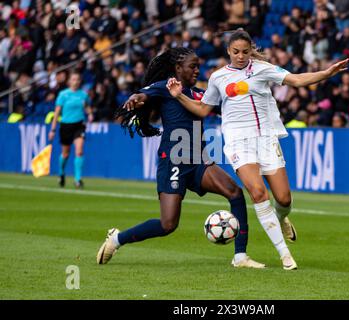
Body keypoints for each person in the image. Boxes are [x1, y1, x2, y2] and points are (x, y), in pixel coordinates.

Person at [166, 30, 348, 270]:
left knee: (283, 198)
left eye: (245, 51)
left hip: (265, 138)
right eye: (235, 52)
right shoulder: (218, 77)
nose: (240, 56)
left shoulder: (263, 69)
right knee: (259, 193)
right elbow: (202, 110)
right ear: (228, 51)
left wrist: (325, 73)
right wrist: (179, 97)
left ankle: (282, 217)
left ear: (251, 50)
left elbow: (296, 79)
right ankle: (285, 255)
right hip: (237, 141)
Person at [96, 47, 265, 269]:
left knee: (234, 192)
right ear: (178, 68)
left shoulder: (198, 94)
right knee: (168, 225)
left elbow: (222, 108)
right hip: (173, 161)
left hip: (199, 161)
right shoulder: (165, 88)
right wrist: (136, 98)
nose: (197, 70)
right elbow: (144, 95)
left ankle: (240, 256)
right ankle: (117, 239)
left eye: (198, 66)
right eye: (192, 66)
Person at [48, 71, 93, 188]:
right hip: (66, 125)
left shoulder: (83, 95)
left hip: (79, 125)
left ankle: (78, 179)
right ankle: (61, 173)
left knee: (79, 151)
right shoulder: (63, 94)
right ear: (69, 81)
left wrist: (90, 114)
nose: (76, 81)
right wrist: (52, 130)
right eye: (73, 79)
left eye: (78, 79)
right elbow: (57, 113)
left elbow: (88, 107)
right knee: (65, 153)